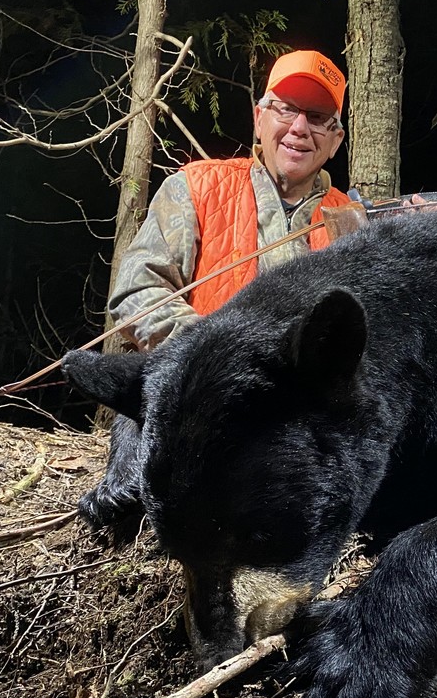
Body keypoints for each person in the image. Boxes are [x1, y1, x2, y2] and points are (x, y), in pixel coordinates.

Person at [81, 49, 359, 529]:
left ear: (334, 140)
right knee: (149, 399)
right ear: (258, 119)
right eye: (286, 109)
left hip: (295, 418)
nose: (298, 128)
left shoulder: (353, 225)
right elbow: (138, 288)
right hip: (195, 392)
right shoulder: (195, 187)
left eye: (317, 118)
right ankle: (133, 495)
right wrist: (207, 356)